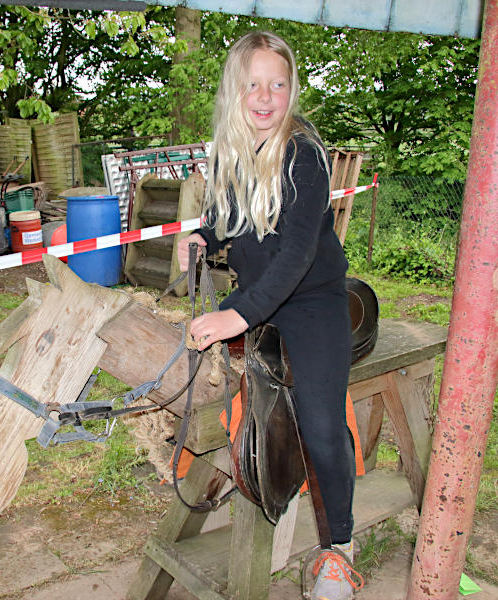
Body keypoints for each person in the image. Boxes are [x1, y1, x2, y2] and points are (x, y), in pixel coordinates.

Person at [177, 31, 364, 600]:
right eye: (253, 84)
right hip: (258, 294)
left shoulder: (304, 155)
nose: (264, 97)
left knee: (321, 422)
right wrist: (203, 236)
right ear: (234, 91)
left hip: (311, 299)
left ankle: (339, 547)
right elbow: (225, 214)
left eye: (277, 85)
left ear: (291, 90)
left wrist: (238, 316)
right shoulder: (229, 149)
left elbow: (297, 254)